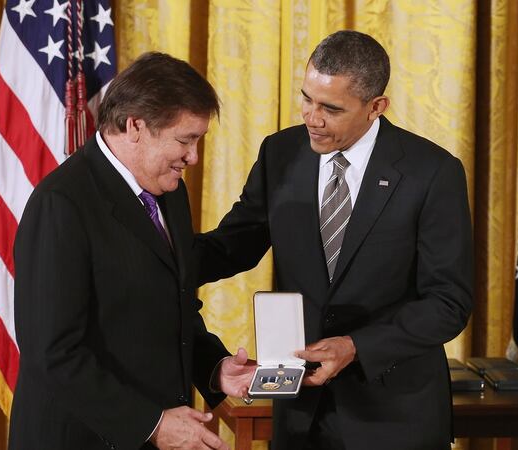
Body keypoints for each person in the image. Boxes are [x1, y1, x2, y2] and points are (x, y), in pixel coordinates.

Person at [196, 30, 473, 449]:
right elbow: (233, 245)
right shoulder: (281, 153)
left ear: (375, 107)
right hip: (301, 416)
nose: (312, 117)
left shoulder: (432, 173)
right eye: (307, 98)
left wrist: (356, 346)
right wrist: (156, 252)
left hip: (394, 419)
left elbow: (448, 304)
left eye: (330, 108)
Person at [8, 52, 256, 450]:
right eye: (185, 140)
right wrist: (153, 424)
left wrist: (215, 369)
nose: (193, 157)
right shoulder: (61, 204)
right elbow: (54, 354)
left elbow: (170, 303)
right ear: (135, 126)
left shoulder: (169, 192)